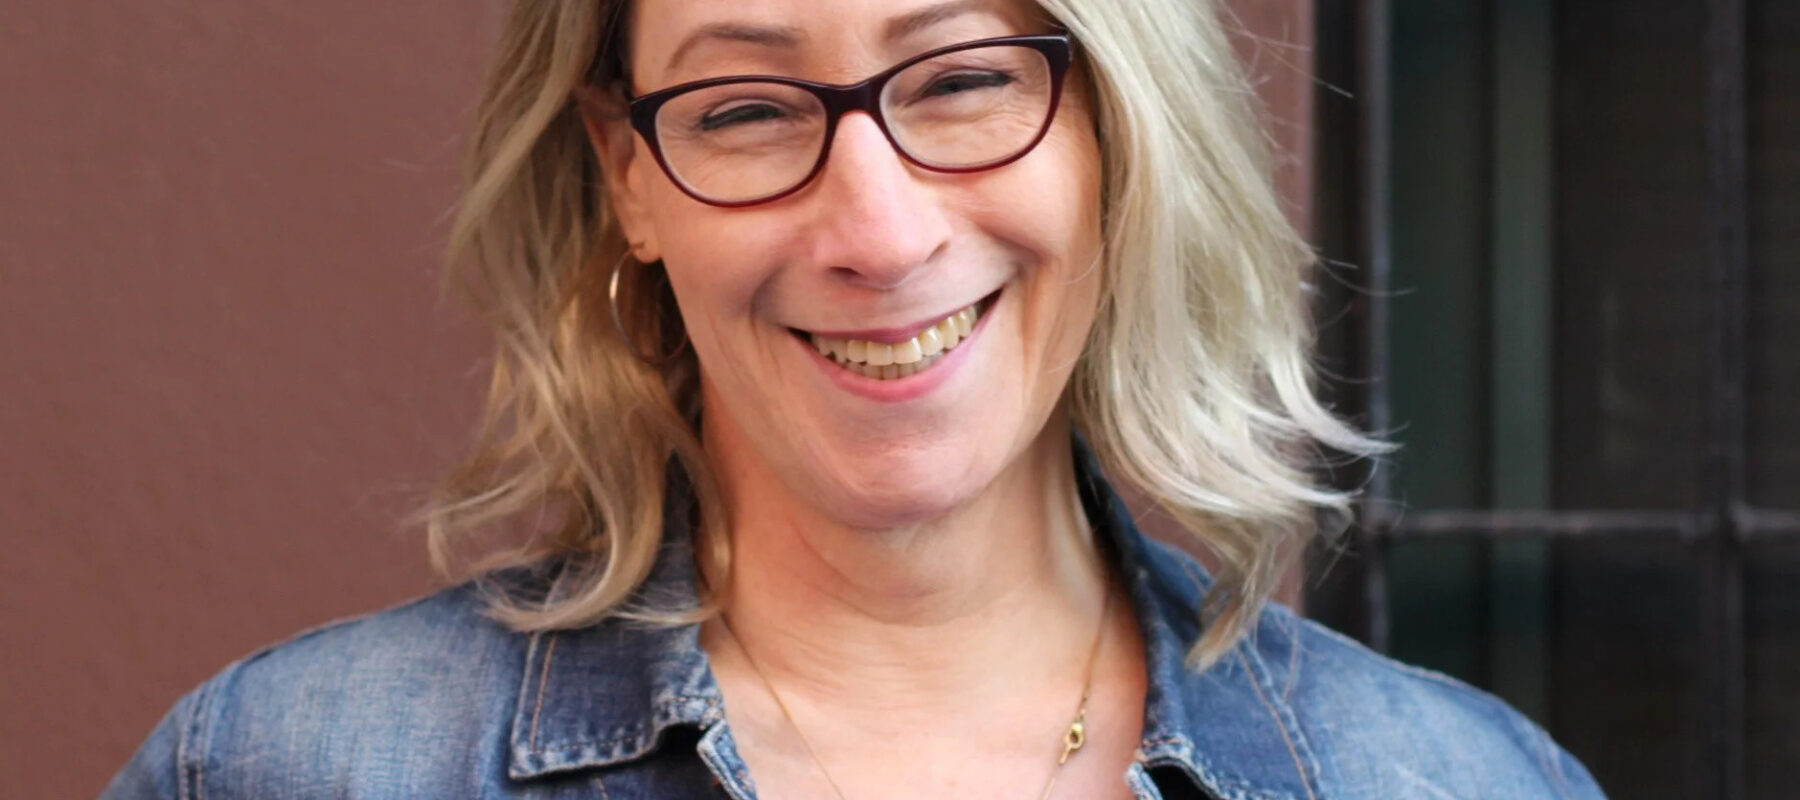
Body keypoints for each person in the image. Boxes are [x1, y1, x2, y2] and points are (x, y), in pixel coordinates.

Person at [102, 0, 1607, 797]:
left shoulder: (1453, 786)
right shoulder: (294, 772)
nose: (877, 232)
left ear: (1116, 133)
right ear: (629, 177)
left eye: (959, 82)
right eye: (747, 109)